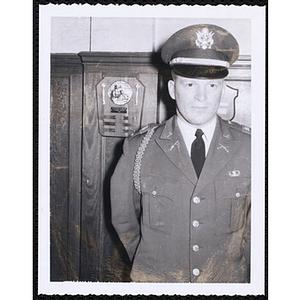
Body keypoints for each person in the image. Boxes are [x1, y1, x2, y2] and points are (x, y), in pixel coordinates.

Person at [111, 24, 251, 283]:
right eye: (189, 84)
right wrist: (152, 266)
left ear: (222, 91)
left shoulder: (250, 148)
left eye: (211, 86)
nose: (201, 97)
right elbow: (124, 220)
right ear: (173, 90)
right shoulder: (139, 148)